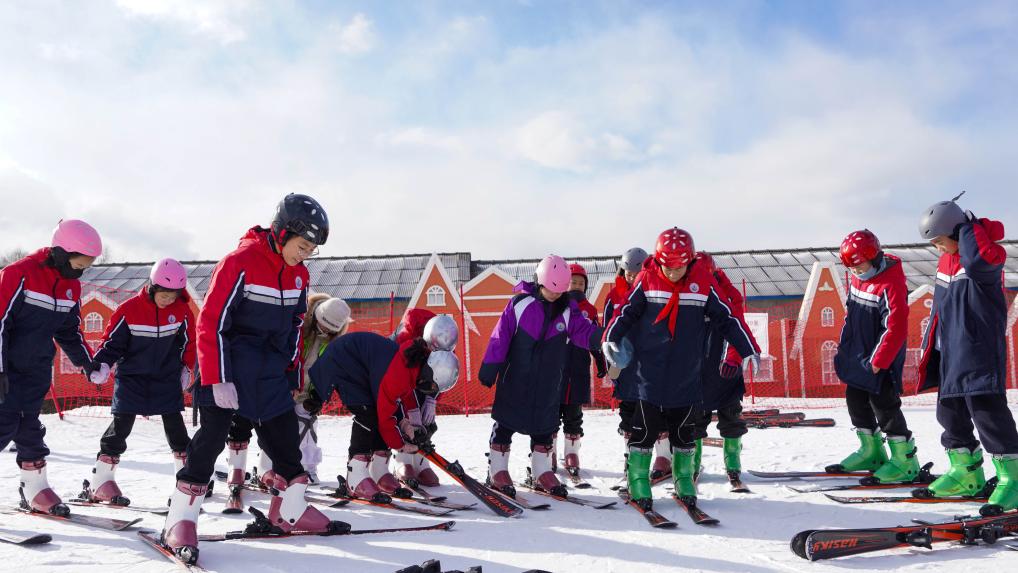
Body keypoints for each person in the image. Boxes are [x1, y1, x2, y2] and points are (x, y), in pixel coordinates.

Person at [160, 194, 344, 565]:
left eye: (311, 250)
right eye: (302, 246)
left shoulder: (299, 275)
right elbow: (211, 322)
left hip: (269, 373)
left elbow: (296, 325)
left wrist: (291, 371)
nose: (305, 255)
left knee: (284, 441)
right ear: (282, 232)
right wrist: (217, 378)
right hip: (229, 367)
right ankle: (180, 519)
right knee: (211, 439)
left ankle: (290, 510)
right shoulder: (239, 262)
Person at [602, 228, 759, 511]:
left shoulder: (703, 283)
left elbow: (727, 317)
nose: (673, 273)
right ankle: (638, 480)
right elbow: (626, 311)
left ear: (690, 262)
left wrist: (747, 348)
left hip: (687, 373)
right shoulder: (647, 279)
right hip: (650, 373)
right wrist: (610, 336)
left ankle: (684, 479)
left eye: (679, 267)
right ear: (658, 261)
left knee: (684, 431)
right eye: (668, 267)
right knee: (645, 429)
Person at [912, 196, 1018, 516]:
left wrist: (969, 229)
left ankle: (1013, 479)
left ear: (957, 232)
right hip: (950, 350)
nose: (938, 249)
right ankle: (965, 473)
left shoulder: (985, 255)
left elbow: (978, 263)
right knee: (949, 413)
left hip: (977, 349)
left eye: (940, 241)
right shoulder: (948, 259)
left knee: (987, 413)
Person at [0, 219, 102, 516]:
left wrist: (87, 363)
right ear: (60, 252)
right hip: (6, 368)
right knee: (4, 425)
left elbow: (69, 331)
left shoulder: (72, 286)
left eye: (86, 267)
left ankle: (35, 489)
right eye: (78, 264)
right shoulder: (19, 274)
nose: (80, 272)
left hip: (36, 368)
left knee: (30, 428)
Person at [478, 255, 602, 498]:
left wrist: (603, 337)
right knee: (505, 424)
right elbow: (500, 337)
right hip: (515, 379)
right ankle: (497, 470)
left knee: (545, 427)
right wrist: (489, 367)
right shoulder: (519, 304)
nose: (555, 294)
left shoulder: (568, 310)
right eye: (550, 289)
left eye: (560, 290)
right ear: (540, 281)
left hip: (548, 382)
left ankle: (542, 471)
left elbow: (584, 332)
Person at [82, 258, 197, 505]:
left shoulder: (182, 312)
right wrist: (102, 364)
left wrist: (188, 368)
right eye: (164, 295)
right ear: (152, 287)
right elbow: (111, 343)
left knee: (176, 429)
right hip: (131, 380)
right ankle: (101, 482)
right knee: (120, 428)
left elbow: (190, 343)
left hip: (166, 379)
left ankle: (188, 480)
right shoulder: (129, 310)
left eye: (173, 296)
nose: (168, 300)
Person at [307, 328, 459, 501]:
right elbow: (386, 417)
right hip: (343, 362)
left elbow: (400, 399)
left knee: (379, 414)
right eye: (432, 385)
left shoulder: (414, 365)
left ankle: (379, 471)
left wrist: (405, 424)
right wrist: (400, 445)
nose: (430, 390)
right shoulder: (399, 373)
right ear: (429, 372)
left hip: (360, 367)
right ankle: (355, 478)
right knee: (367, 415)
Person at [825, 230, 919, 484]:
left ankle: (904, 460)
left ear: (874, 258)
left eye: (860, 267)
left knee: (884, 407)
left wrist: (879, 360)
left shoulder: (890, 284)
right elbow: (851, 316)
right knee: (855, 401)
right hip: (858, 357)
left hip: (879, 361)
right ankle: (871, 452)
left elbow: (895, 327)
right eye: (852, 269)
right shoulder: (858, 280)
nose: (857, 272)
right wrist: (845, 349)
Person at [689, 252, 760, 486]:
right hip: (696, 373)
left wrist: (733, 358)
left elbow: (737, 328)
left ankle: (733, 462)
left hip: (725, 371)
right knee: (693, 422)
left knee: (731, 419)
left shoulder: (728, 295)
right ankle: (692, 462)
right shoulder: (689, 292)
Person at [390, 311, 459, 489]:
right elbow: (403, 383)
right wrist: (412, 410)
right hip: (400, 382)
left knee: (425, 419)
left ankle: (421, 462)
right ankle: (403, 460)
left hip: (424, 380)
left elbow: (441, 377)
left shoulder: (445, 339)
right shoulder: (405, 342)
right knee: (406, 418)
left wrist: (432, 399)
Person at [603, 247, 650, 481]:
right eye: (627, 273)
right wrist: (609, 364)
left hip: (649, 362)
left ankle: (662, 457)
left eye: (636, 273)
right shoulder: (613, 296)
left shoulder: (652, 292)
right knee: (629, 411)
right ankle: (629, 459)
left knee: (653, 409)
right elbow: (606, 332)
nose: (631, 277)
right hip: (625, 363)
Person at [557, 263, 607, 474]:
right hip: (555, 370)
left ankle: (572, 453)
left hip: (578, 370)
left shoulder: (590, 310)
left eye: (580, 283)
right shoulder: (556, 305)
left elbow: (595, 338)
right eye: (573, 282)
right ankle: (547, 452)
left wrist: (601, 361)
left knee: (574, 414)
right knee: (550, 415)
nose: (576, 286)